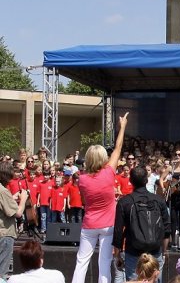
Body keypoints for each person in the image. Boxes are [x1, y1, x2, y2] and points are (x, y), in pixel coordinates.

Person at [72, 112, 129, 283]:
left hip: (89, 224)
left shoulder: (81, 179)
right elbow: (118, 148)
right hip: (107, 225)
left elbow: (83, 201)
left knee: (81, 262)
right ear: (103, 158)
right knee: (104, 263)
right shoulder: (109, 172)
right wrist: (123, 126)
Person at [113, 166, 170, 283]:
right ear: (147, 180)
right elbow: (167, 228)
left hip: (133, 251)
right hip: (155, 251)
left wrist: (117, 255)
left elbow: (118, 231)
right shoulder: (159, 200)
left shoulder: (124, 202)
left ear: (130, 181)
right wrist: (164, 251)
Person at [0, 162, 28, 281]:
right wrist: (23, 199)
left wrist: (12, 198)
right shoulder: (3, 191)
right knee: (2, 272)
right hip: (5, 234)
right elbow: (17, 213)